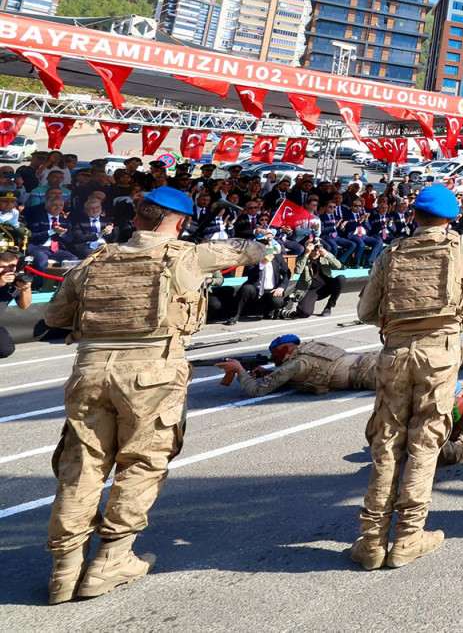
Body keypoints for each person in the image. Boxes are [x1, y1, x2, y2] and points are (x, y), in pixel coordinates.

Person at [41, 187, 269, 603]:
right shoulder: (189, 255)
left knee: (81, 464)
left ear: (138, 217)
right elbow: (252, 250)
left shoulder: (96, 259)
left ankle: (65, 569)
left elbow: (54, 317)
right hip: (153, 371)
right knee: (142, 462)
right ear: (179, 222)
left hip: (91, 369)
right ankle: (112, 559)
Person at [350, 184, 463, 570]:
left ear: (415, 216)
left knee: (386, 443)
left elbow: (365, 311)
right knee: (425, 444)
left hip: (394, 354)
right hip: (438, 356)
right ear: (451, 218)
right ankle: (409, 538)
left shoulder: (391, 254)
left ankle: (372, 542)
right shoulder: (458, 247)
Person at [217, 333, 381, 396]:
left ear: (284, 349)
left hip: (368, 374)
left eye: (274, 353)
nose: (273, 357)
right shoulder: (310, 347)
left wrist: (239, 370)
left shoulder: (294, 365)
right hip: (370, 358)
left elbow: (257, 391)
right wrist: (269, 373)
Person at [0, 249, 31, 358]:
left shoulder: (15, 280)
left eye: (11, 267)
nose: (7, 270)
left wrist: (25, 289)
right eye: (2, 267)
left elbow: (24, 306)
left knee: (6, 350)